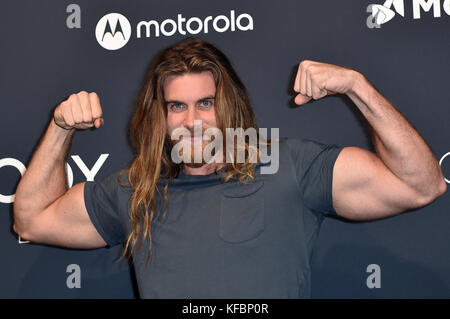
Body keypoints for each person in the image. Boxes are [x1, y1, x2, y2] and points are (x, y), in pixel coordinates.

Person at [13, 38, 446, 298]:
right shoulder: (137, 189)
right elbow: (31, 221)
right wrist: (60, 126)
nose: (193, 121)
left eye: (206, 103)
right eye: (177, 107)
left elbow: (421, 186)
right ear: (160, 117)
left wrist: (357, 86)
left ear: (229, 105)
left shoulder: (286, 165)